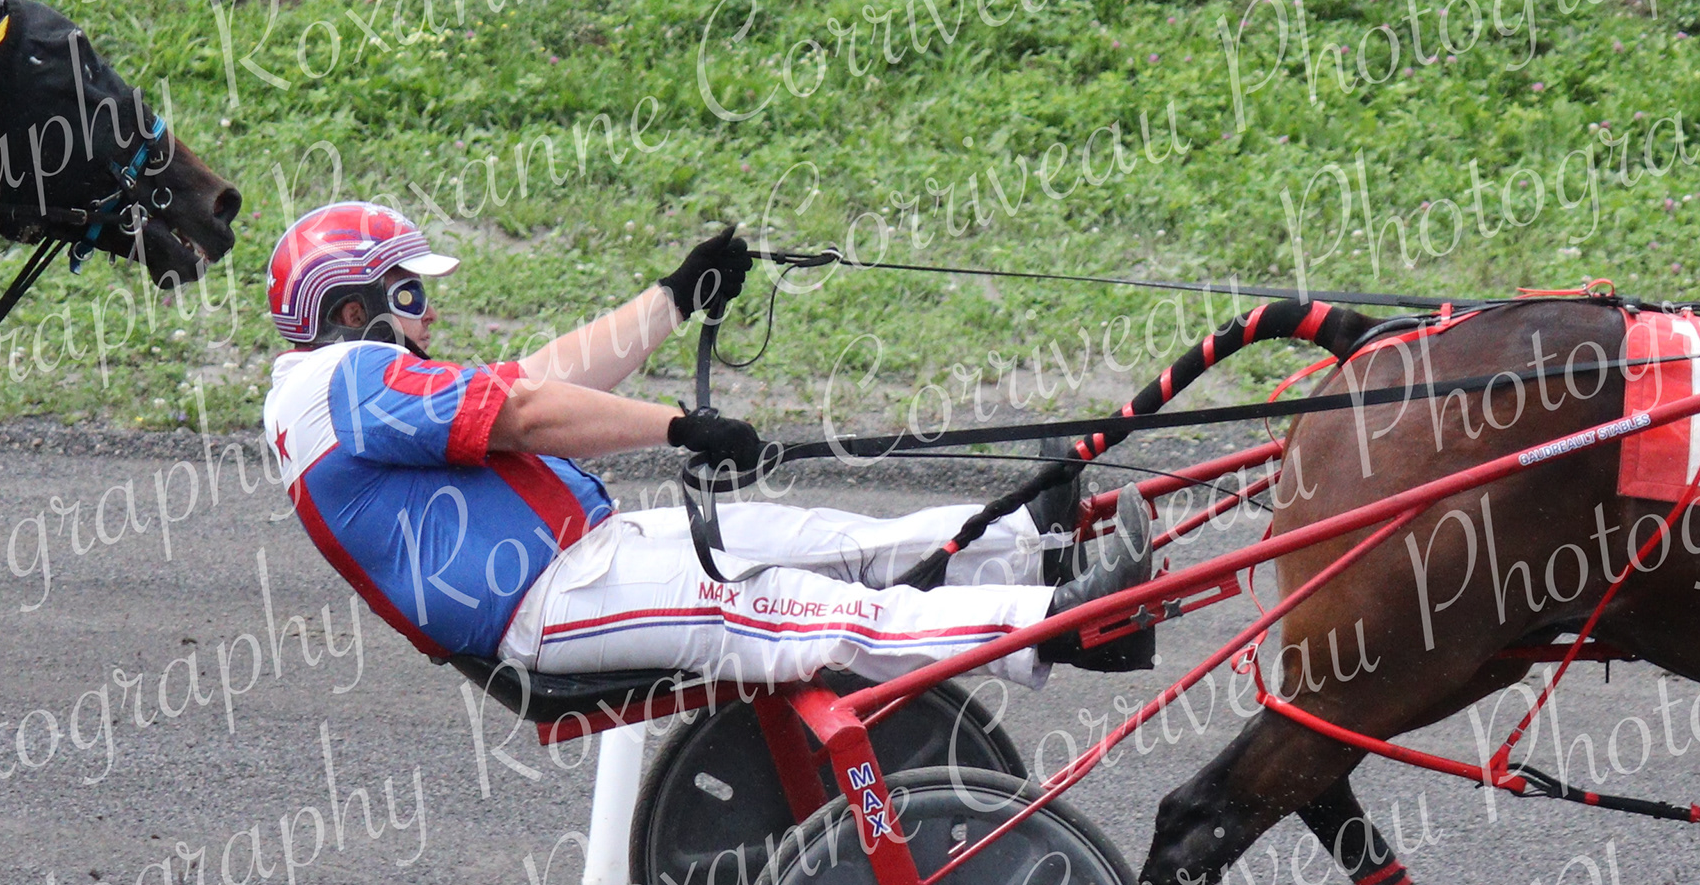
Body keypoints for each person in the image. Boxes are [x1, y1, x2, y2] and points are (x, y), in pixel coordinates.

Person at [262, 202, 1153, 684]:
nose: (428, 312)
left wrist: (673, 298)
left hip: (587, 558)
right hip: (548, 600)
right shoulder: (342, 383)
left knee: (820, 541)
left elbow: (533, 377)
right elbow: (527, 412)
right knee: (815, 614)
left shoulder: (345, 389)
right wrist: (678, 427)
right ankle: (1068, 624)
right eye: (409, 293)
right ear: (351, 307)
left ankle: (1026, 542)